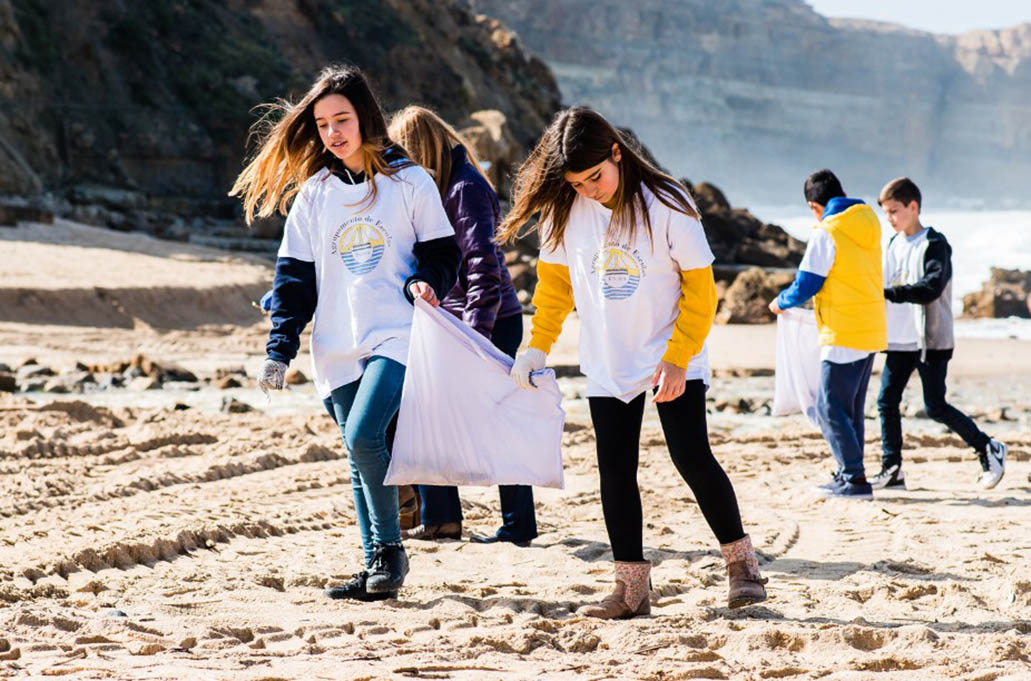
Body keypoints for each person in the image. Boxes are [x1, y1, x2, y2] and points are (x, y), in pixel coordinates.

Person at [502, 106, 768, 619]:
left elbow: (701, 291)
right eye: (576, 183)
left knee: (691, 457)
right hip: (608, 356)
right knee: (615, 470)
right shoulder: (563, 210)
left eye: (595, 177)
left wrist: (678, 358)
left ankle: (743, 568)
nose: (588, 190)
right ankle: (631, 590)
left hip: (672, 352)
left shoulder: (667, 202)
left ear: (616, 153)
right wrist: (537, 347)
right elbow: (554, 289)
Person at [230, 65, 460, 601]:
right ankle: (375, 563)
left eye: (342, 119)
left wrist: (428, 281)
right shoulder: (315, 194)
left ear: (366, 118)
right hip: (335, 343)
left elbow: (444, 253)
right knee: (359, 456)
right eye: (322, 124)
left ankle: (391, 554)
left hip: (396, 332)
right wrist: (279, 349)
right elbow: (294, 280)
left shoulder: (410, 183)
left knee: (363, 435)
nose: (332, 132)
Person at [389, 105, 537, 547]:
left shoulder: (464, 188)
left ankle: (515, 525)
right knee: (429, 416)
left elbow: (483, 269)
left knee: (496, 421)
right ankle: (442, 520)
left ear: (418, 150)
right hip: (455, 320)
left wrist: (474, 337)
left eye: (402, 155)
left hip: (489, 320)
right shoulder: (444, 186)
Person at [874, 177, 1007, 490]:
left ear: (913, 206)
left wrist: (889, 294)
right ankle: (892, 469)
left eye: (894, 211)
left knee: (935, 406)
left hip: (930, 340)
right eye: (886, 213)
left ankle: (988, 447)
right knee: (886, 401)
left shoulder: (934, 244)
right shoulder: (893, 243)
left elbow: (931, 288)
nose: (889, 218)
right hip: (899, 339)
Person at [769, 170, 886, 499]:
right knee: (850, 409)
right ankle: (850, 472)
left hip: (843, 330)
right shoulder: (869, 222)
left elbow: (808, 282)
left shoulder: (828, 231)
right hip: (871, 327)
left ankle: (854, 479)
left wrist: (780, 302)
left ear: (813, 205)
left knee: (829, 407)